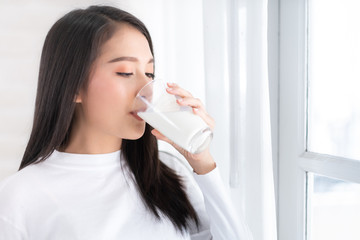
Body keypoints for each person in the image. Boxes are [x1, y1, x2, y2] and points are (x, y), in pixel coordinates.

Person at [0, 5, 251, 240]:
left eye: (150, 74)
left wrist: (203, 162)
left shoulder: (170, 175)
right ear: (73, 86)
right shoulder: (20, 198)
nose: (147, 88)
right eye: (126, 73)